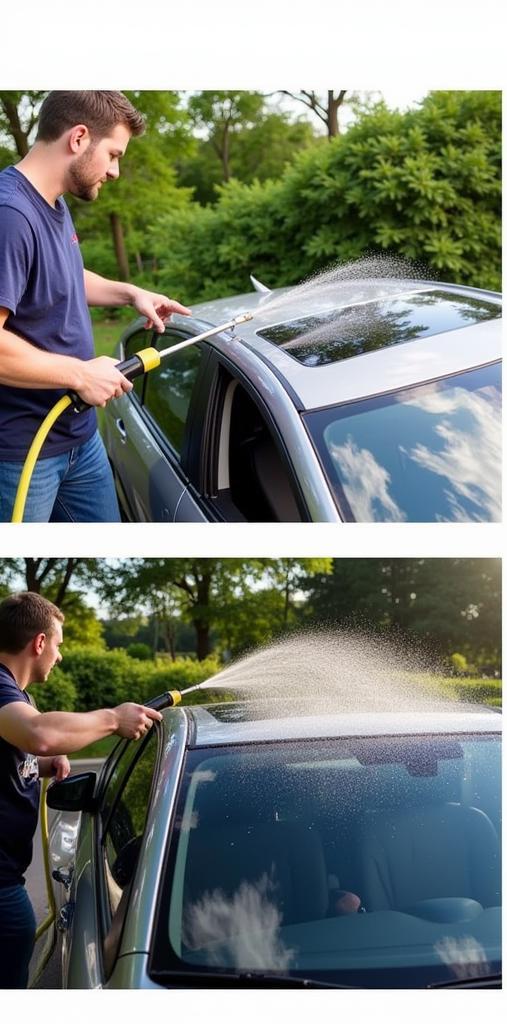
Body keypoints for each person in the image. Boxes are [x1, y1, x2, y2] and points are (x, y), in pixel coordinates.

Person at [0, 91, 191, 522]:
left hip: (80, 438)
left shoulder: (53, 203)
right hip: (22, 453)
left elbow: (61, 276)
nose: (116, 171)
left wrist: (130, 293)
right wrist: (80, 373)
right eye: (113, 154)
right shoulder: (10, 214)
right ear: (79, 137)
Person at [0, 591, 160, 988]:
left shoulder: (15, 696)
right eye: (58, 644)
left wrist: (40, 764)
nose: (59, 655)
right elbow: (39, 732)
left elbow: (28, 745)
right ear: (39, 643)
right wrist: (112, 719)